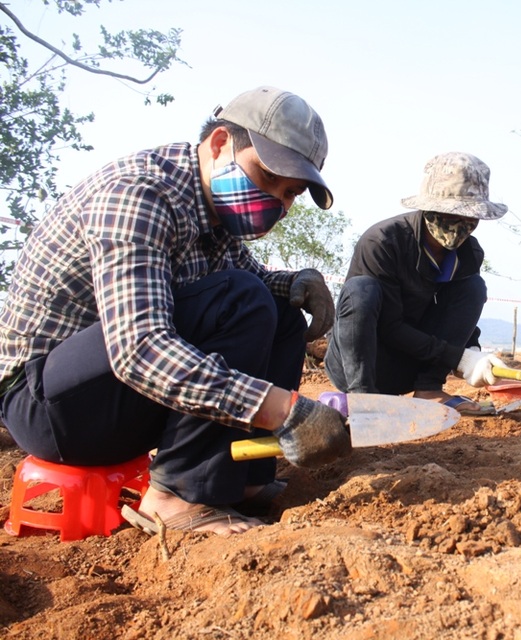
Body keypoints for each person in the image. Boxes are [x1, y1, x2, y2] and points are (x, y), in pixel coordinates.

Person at [0, 86, 353, 536]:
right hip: (47, 407)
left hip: (111, 396)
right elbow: (139, 349)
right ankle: (177, 496)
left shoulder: (215, 217)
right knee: (240, 298)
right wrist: (285, 411)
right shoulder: (138, 196)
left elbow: (255, 279)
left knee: (278, 308)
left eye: (290, 193)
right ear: (220, 143)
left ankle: (242, 480)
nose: (277, 204)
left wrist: (298, 283)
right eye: (267, 178)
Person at [324, 152, 507, 415]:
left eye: (470, 218)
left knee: (474, 287)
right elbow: (389, 326)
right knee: (361, 290)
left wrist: (472, 351)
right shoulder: (382, 243)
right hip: (361, 363)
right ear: (429, 210)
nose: (461, 226)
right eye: (452, 215)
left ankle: (429, 389)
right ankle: (362, 399)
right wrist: (457, 357)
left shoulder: (469, 254)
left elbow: (458, 312)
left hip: (409, 366)